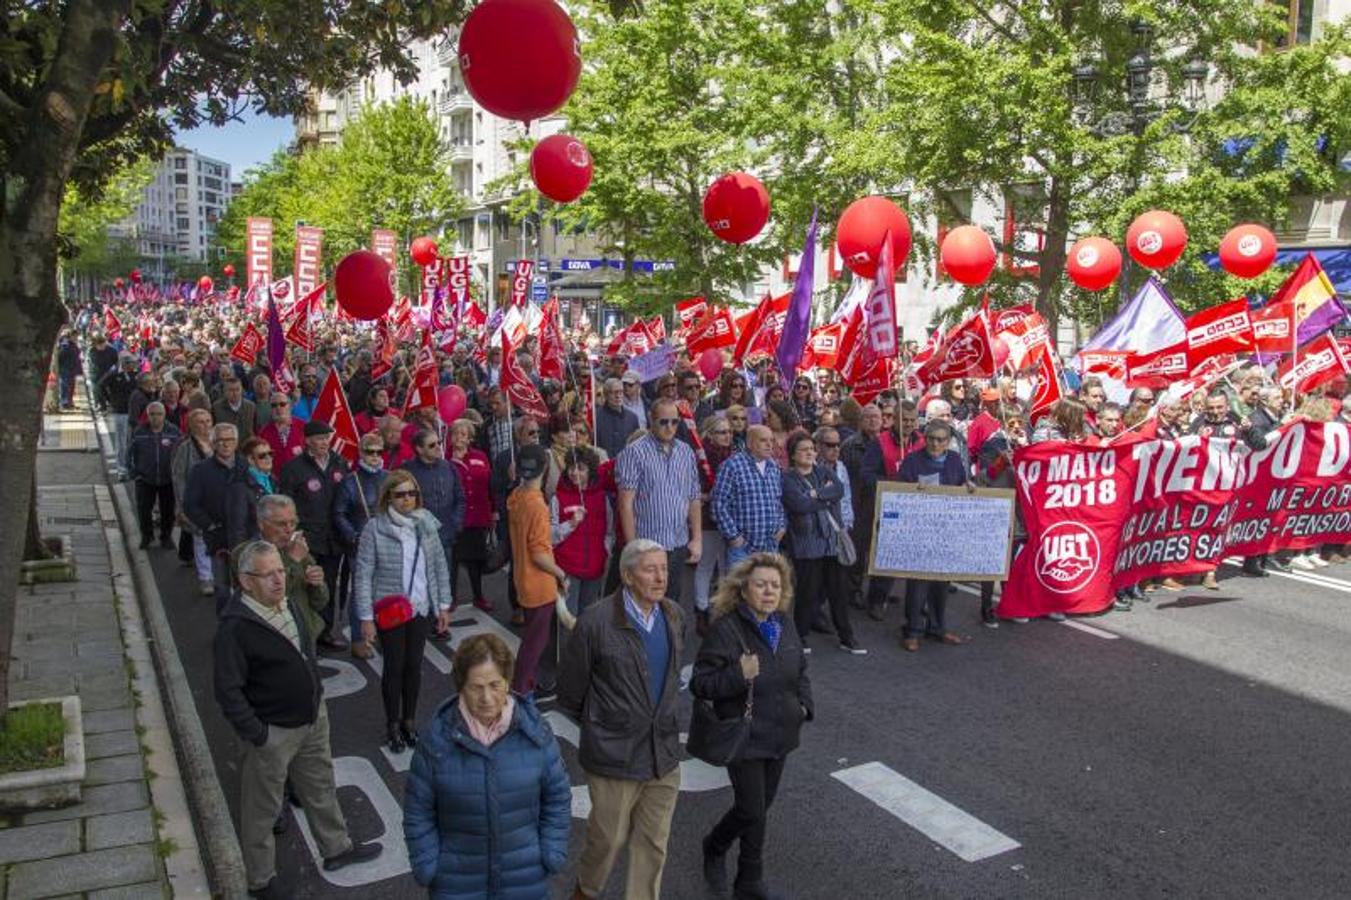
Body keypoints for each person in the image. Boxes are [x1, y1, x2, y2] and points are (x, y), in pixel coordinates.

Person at [214, 541, 381, 899]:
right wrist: (258, 734)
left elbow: (306, 650)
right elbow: (228, 690)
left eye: (279, 570)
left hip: (311, 719)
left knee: (320, 785)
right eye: (268, 574)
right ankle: (261, 881)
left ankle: (337, 848)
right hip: (272, 732)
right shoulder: (236, 628)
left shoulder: (288, 602)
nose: (278, 579)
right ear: (246, 581)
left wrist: (316, 695)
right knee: (262, 809)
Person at [558, 540, 684, 900]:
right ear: (627, 576)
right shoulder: (595, 622)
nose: (660, 577)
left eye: (663, 568)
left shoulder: (674, 614)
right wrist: (606, 724)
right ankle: (586, 891)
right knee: (607, 840)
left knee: (653, 845)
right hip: (614, 755)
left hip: (663, 754)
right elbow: (571, 692)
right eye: (650, 569)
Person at [403, 633, 571, 899]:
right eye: (475, 687)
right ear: (460, 687)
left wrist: (552, 850)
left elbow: (557, 796)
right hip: (456, 883)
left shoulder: (536, 733)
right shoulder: (436, 740)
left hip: (525, 879)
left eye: (495, 685)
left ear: (508, 682)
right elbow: (417, 809)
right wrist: (427, 864)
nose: (487, 698)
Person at [693, 553, 812, 900]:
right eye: (760, 584)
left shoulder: (784, 623)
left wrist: (804, 707)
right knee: (751, 809)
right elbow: (701, 683)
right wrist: (736, 675)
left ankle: (749, 882)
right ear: (744, 590)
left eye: (775, 585)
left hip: (781, 733)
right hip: (744, 736)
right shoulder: (727, 629)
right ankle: (714, 846)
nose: (769, 591)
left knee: (760, 809)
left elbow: (800, 669)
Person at [353, 471, 453, 753]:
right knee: (394, 667)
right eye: (400, 494)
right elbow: (363, 575)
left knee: (414, 666)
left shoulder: (426, 523)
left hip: (420, 606)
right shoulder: (375, 528)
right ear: (388, 498)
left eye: (412, 494)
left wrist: (443, 605)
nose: (407, 499)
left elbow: (438, 566)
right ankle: (392, 724)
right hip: (391, 608)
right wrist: (365, 617)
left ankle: (409, 721)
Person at [781, 431, 864, 655]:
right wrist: (822, 497)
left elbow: (838, 490)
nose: (810, 453)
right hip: (806, 542)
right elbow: (798, 504)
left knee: (838, 591)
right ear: (793, 455)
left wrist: (814, 495)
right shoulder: (788, 478)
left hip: (831, 540)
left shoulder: (824, 470)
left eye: (811, 449)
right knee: (808, 592)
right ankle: (801, 636)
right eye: (804, 450)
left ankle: (847, 637)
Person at [615, 398, 702, 609]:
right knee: (643, 602)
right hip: (647, 545)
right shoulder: (634, 453)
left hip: (678, 542)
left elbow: (693, 497)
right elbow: (625, 504)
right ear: (651, 420)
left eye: (675, 422)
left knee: (672, 605)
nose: (670, 427)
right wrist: (632, 546)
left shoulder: (686, 452)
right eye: (664, 422)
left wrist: (697, 539)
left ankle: (669, 642)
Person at [898, 420, 975, 651]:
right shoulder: (912, 460)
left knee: (941, 584)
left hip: (946, 532)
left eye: (940, 439)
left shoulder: (953, 459)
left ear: (948, 441)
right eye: (931, 438)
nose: (935, 443)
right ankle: (912, 630)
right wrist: (913, 491)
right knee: (918, 584)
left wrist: (968, 486)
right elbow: (899, 491)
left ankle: (937, 627)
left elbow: (961, 483)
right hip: (920, 531)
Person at [278, 420, 350, 650]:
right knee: (302, 586)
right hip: (308, 541)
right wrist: (293, 537)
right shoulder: (293, 469)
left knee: (328, 586)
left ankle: (326, 631)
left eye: (326, 438)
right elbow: (286, 504)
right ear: (307, 441)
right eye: (319, 438)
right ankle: (303, 633)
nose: (324, 443)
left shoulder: (339, 464)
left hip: (334, 539)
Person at [232, 495, 330, 652]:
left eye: (293, 522)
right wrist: (292, 560)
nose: (289, 529)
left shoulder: (297, 549)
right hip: (269, 640)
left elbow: (320, 602)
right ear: (261, 524)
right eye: (281, 524)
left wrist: (318, 584)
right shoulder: (245, 554)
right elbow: (265, 599)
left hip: (304, 635)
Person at [507, 445, 567, 698]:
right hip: (539, 583)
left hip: (522, 578)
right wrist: (561, 574)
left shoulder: (516, 495)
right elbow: (540, 554)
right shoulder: (538, 504)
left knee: (531, 640)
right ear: (545, 468)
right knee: (535, 644)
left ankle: (522, 686)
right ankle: (521, 690)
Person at [334, 434, 389, 659]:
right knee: (362, 593)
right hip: (361, 546)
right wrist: (353, 536)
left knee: (387, 591)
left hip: (388, 543)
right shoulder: (350, 481)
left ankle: (386, 633)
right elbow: (338, 514)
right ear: (360, 452)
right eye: (370, 452)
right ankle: (358, 639)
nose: (375, 457)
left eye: (379, 452)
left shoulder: (389, 477)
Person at [184, 423, 249, 613]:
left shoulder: (246, 466)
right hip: (218, 538)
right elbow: (190, 505)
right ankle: (225, 627)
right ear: (213, 443)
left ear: (236, 442)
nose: (225, 444)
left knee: (247, 586)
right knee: (224, 587)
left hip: (246, 536)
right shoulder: (200, 470)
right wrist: (209, 525)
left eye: (230, 440)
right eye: (220, 440)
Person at [400, 427, 467, 604]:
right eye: (432, 445)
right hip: (419, 538)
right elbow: (400, 504)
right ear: (419, 449)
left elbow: (460, 498)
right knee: (422, 581)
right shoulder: (407, 471)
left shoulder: (449, 467)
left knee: (444, 578)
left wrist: (456, 523)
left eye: (438, 443)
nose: (438, 447)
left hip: (446, 535)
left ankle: (442, 618)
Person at [711, 425, 786, 569]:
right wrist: (734, 537)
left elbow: (778, 501)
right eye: (763, 440)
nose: (770, 444)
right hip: (742, 549)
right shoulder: (732, 466)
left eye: (771, 440)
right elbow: (718, 504)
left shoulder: (774, 467)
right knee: (739, 590)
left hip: (770, 546)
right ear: (750, 443)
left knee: (766, 590)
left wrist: (781, 526)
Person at [552, 445, 613, 617]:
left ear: (591, 471)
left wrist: (605, 551)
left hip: (595, 570)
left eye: (581, 468)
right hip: (567, 570)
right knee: (567, 618)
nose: (574, 472)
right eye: (571, 467)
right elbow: (549, 535)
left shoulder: (603, 498)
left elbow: (609, 531)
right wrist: (571, 524)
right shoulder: (557, 498)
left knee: (589, 618)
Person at [447, 418, 495, 615]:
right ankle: (450, 598)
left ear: (470, 439)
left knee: (476, 559)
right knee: (453, 561)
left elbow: (489, 484)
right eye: (455, 433)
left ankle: (479, 596)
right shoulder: (444, 459)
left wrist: (494, 510)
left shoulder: (480, 456)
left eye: (463, 434)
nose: (459, 437)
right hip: (454, 519)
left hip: (478, 517)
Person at [694, 414, 736, 635]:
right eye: (722, 432)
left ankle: (723, 608)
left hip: (731, 517)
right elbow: (695, 492)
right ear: (710, 434)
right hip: (708, 518)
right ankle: (701, 610)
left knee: (727, 566)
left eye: (729, 431)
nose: (727, 436)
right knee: (707, 564)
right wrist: (711, 496)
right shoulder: (701, 458)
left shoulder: (734, 456)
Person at [172, 408, 216, 595]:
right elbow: (178, 476)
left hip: (218, 499)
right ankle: (206, 578)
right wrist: (182, 504)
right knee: (200, 538)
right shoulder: (185, 448)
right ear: (191, 425)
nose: (205, 425)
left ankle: (219, 573)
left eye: (208, 421)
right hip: (196, 500)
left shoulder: (219, 443)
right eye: (200, 422)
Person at [126, 401, 180, 549]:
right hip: (145, 478)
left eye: (159, 414)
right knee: (144, 510)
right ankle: (147, 536)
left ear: (165, 415)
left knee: (168, 510)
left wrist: (177, 474)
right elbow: (129, 453)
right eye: (152, 414)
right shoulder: (139, 432)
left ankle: (166, 537)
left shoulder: (174, 431)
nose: (156, 418)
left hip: (167, 478)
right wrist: (134, 473)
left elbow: (180, 454)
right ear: (148, 416)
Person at [99, 352, 140, 477]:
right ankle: (121, 468)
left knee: (133, 440)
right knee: (121, 441)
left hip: (134, 412)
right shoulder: (115, 374)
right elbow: (101, 385)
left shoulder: (136, 375)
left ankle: (132, 466)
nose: (135, 365)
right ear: (125, 364)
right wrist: (110, 400)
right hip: (121, 412)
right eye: (132, 363)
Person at [596, 377, 640, 460]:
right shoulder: (596, 416)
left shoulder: (632, 418)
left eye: (621, 392)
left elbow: (636, 444)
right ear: (606, 395)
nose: (618, 396)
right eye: (614, 392)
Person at [258, 395, 305, 466]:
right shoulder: (264, 432)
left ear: (290, 406)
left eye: (282, 404)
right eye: (274, 405)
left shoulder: (303, 427)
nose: (278, 408)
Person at [213, 376, 258, 441]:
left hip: (246, 446)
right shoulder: (216, 407)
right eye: (231, 390)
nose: (235, 393)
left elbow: (255, 429)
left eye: (237, 389)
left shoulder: (251, 406)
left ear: (242, 390)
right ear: (225, 391)